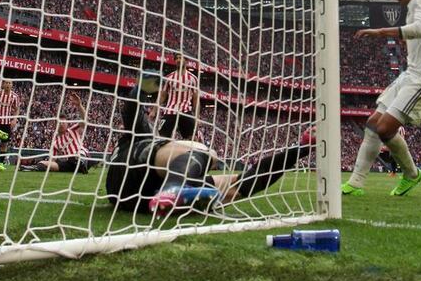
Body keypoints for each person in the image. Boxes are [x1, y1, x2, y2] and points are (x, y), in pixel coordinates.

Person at [106, 72, 313, 217]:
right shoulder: (142, 136)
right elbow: (131, 112)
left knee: (234, 186)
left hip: (132, 198)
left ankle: (175, 195)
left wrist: (302, 148)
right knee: (204, 150)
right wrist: (140, 88)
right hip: (131, 170)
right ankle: (173, 189)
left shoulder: (155, 145)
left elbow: (253, 179)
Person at [341, 0, 421, 197]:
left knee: (384, 128)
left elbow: (420, 29)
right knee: (372, 123)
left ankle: (411, 174)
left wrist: (380, 31)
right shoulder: (416, 7)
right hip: (411, 74)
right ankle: (356, 183)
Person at [20, 93, 89, 173]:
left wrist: (79, 105)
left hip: (81, 156)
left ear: (67, 123)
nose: (62, 124)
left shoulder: (73, 130)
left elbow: (85, 120)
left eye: (64, 122)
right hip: (70, 164)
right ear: (56, 124)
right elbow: (52, 159)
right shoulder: (55, 143)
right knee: (44, 163)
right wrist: (47, 163)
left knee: (78, 155)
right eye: (60, 122)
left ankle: (82, 164)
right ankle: (31, 168)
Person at [152, 52, 199, 140]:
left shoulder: (193, 79)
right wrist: (154, 110)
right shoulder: (169, 77)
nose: (178, 60)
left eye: (180, 58)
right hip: (170, 111)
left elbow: (196, 99)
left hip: (185, 111)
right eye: (176, 58)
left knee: (193, 139)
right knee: (161, 138)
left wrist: (197, 116)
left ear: (186, 60)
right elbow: (162, 95)